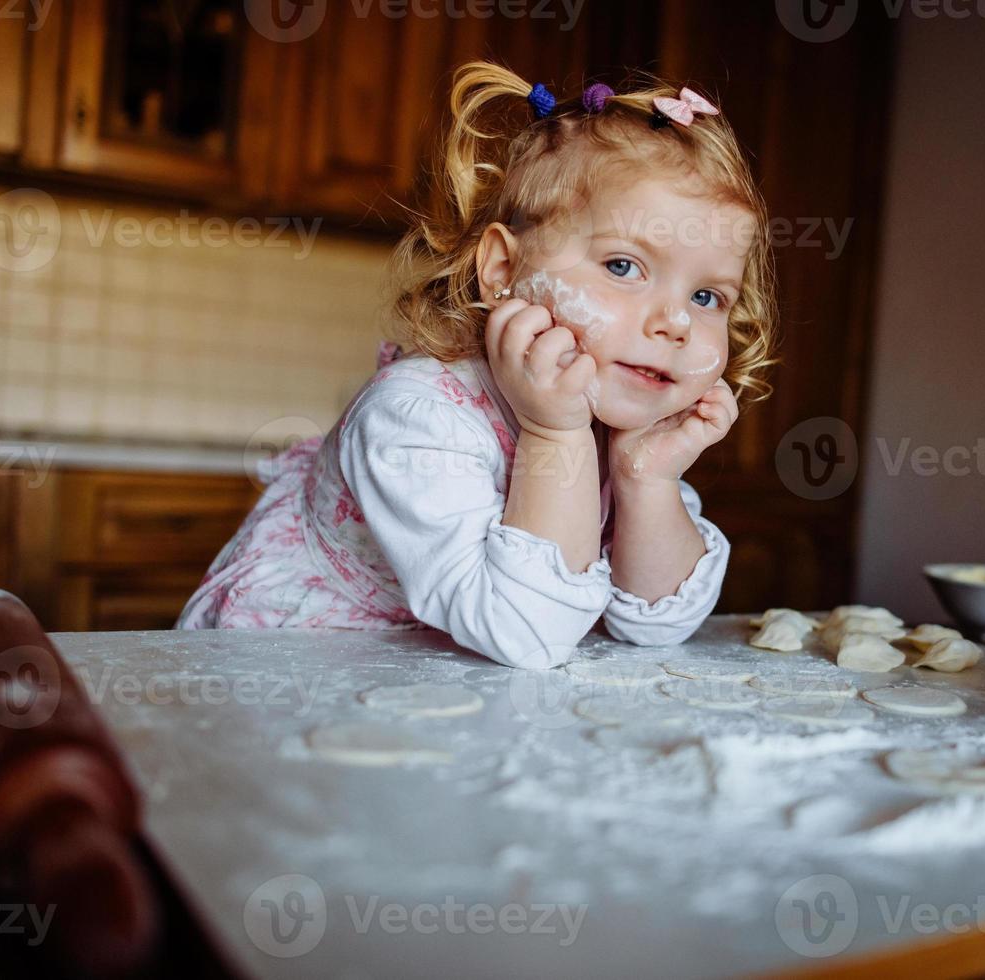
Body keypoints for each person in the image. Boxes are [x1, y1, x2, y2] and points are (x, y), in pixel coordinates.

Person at [178, 63, 778, 668]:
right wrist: (554, 434)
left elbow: (658, 625)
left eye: (707, 298)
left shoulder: (623, 425)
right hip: (299, 665)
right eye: (623, 266)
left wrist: (648, 479)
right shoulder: (416, 414)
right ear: (501, 270)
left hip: (444, 677)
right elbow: (528, 634)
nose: (675, 322)